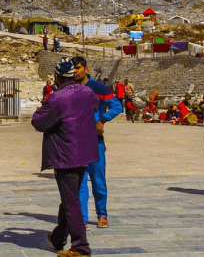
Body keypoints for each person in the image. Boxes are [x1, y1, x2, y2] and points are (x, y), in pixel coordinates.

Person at [31, 57, 99, 257]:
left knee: (71, 202)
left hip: (65, 155)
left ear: (57, 77)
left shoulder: (56, 98)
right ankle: (59, 237)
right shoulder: (87, 92)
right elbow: (95, 106)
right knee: (70, 197)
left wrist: (40, 112)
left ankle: (80, 247)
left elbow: (39, 123)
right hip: (84, 152)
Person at [72, 56, 122, 228]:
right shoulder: (70, 88)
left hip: (95, 142)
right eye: (73, 68)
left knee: (98, 180)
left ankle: (102, 214)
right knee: (80, 183)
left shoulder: (99, 88)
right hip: (76, 143)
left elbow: (117, 106)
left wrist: (102, 120)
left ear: (86, 69)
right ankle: (82, 219)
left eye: (78, 68)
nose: (75, 71)